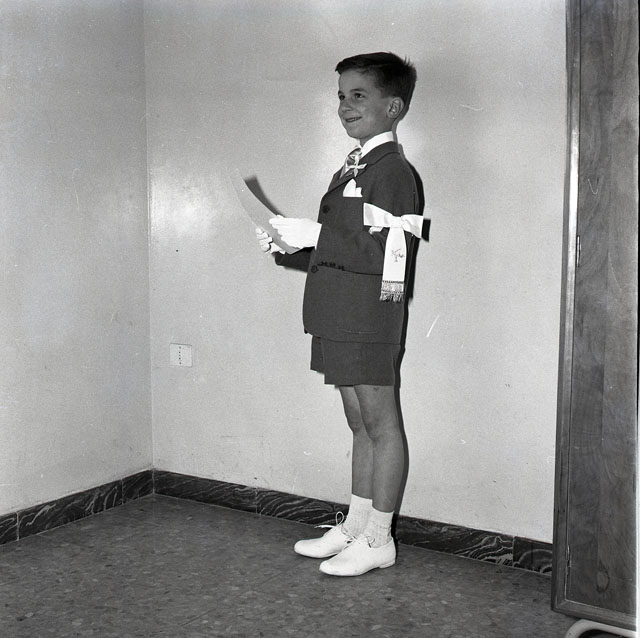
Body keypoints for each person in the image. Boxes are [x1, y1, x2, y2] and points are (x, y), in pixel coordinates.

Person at [256, 52, 421, 577]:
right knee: (359, 424)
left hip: (368, 317)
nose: (345, 105)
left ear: (393, 107)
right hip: (339, 314)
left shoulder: (392, 171)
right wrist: (289, 248)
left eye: (358, 95)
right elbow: (342, 251)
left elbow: (391, 256)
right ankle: (355, 526)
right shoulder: (353, 166)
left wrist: (318, 234)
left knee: (381, 424)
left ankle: (379, 539)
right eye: (342, 96)